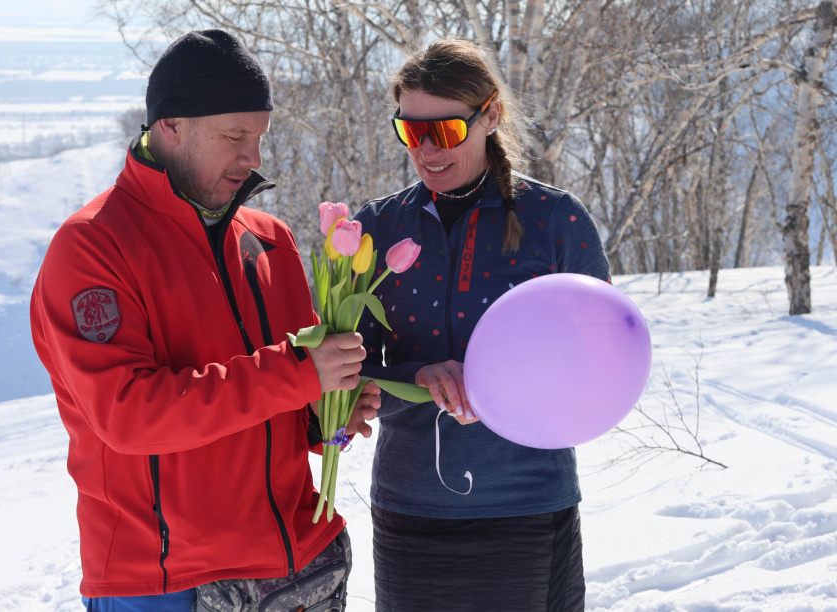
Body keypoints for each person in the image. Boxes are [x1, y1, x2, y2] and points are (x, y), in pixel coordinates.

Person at [30, 29, 379, 612]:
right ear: (171, 127)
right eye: (235, 137)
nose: (254, 158)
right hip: (165, 581)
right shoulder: (93, 247)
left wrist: (327, 412)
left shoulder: (270, 241)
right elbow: (129, 416)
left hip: (295, 564)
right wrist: (298, 373)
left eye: (260, 137)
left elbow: (281, 404)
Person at [353, 38, 611, 611]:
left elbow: (600, 367)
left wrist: (506, 384)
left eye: (443, 131)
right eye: (409, 131)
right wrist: (414, 377)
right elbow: (343, 370)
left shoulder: (556, 220)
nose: (424, 150)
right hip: (409, 509)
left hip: (526, 506)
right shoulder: (375, 227)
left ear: (489, 114)